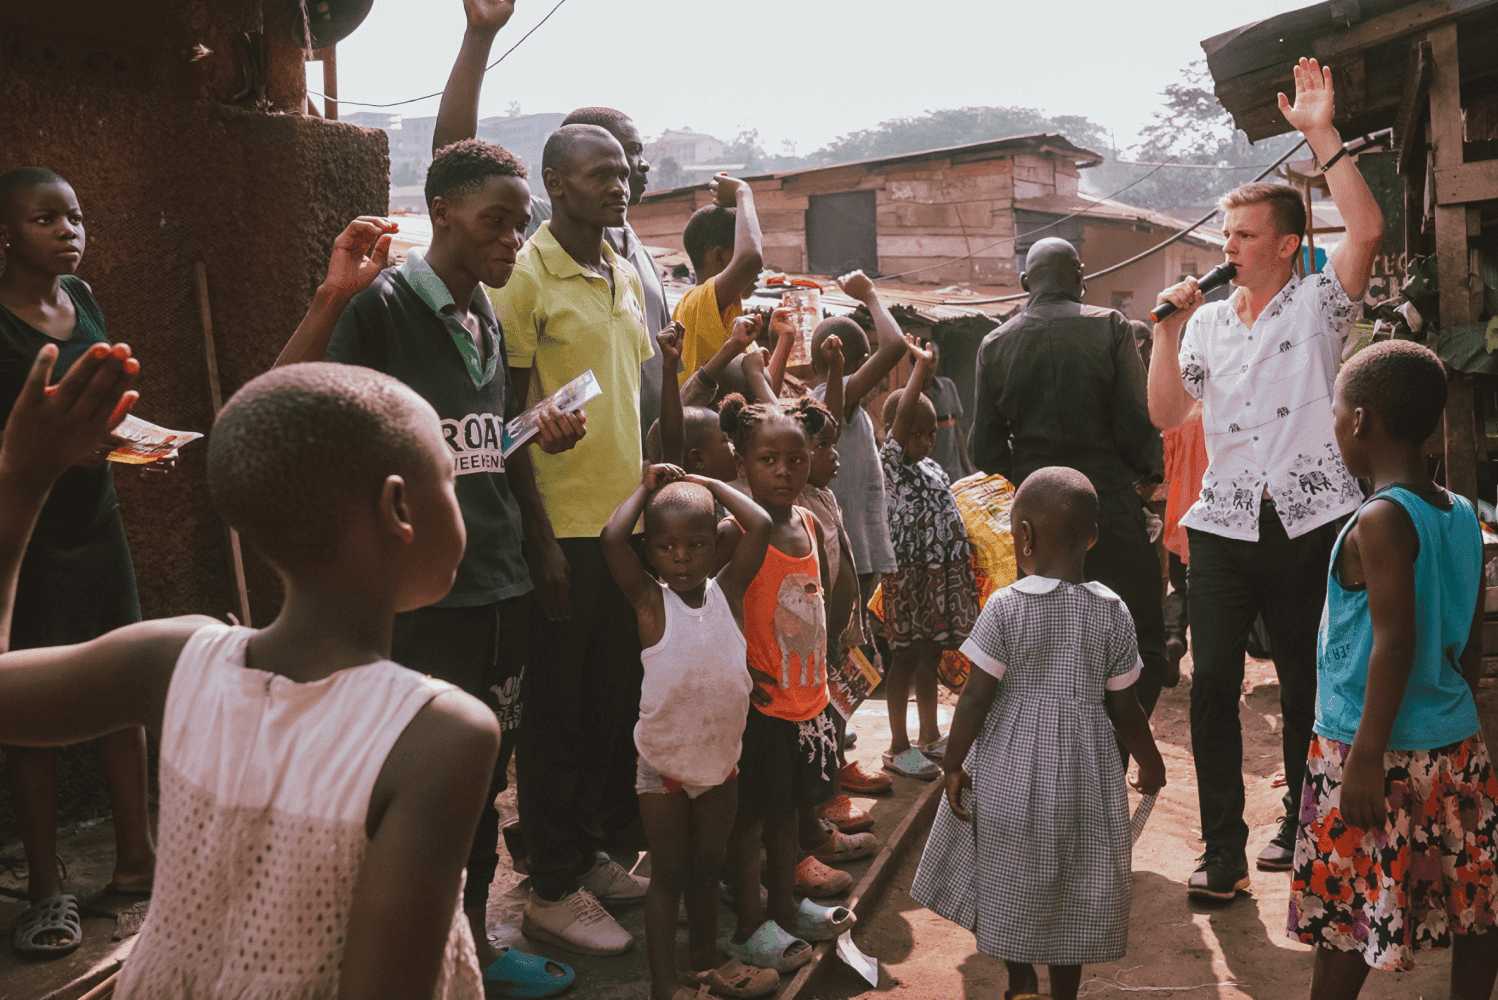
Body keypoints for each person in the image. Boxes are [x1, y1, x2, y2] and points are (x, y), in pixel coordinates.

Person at [0, 363, 504, 999]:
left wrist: (21, 477)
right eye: (451, 480)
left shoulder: (170, 660)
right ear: (397, 507)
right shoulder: (440, 735)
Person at [274, 142, 581, 990]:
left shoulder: (486, 316)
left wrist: (535, 437)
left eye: (521, 225)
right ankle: (394, 961)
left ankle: (471, 946)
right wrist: (331, 297)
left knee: (480, 785)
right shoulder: (378, 306)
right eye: (495, 221)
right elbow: (282, 402)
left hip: (497, 583)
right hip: (421, 598)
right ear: (442, 211)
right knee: (407, 787)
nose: (512, 238)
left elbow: (474, 443)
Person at [1147, 58, 1385, 897]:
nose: (1228, 248)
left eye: (1244, 236)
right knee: (1212, 682)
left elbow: (1366, 231)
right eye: (1225, 236)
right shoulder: (1207, 322)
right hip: (1223, 524)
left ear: (1285, 245)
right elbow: (1168, 413)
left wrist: (1322, 134)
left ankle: (1301, 824)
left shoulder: (1319, 305)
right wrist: (1165, 330)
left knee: (1305, 682)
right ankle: (1222, 850)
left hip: (1311, 521)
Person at [490, 123, 658, 955]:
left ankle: (588, 853)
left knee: (608, 707)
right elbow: (504, 420)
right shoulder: (527, 276)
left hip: (624, 529)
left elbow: (633, 399)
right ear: (555, 183)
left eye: (621, 173)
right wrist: (539, 537)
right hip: (563, 532)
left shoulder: (621, 269)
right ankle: (551, 884)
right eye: (598, 174)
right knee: (554, 717)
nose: (616, 186)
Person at [1287, 341, 1498, 998]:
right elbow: (1467, 646)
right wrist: (1455, 719)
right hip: (1454, 746)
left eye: (1336, 412)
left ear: (1360, 421)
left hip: (1368, 748)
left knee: (1347, 914)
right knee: (1475, 902)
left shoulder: (1378, 519)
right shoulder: (1462, 515)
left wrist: (1367, 756)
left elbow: (1394, 641)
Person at [911, 466, 1166, 1000]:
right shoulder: (1112, 611)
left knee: (1011, 873)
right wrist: (1150, 762)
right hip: (1085, 780)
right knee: (1072, 884)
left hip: (1009, 772)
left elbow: (975, 697)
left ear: (1023, 537)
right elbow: (1126, 708)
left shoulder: (1006, 606)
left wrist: (953, 763)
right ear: (1092, 537)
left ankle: (1021, 980)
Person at [0, 167, 157, 957]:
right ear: (4, 235)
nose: (69, 230)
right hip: (27, 536)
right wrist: (56, 453)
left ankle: (137, 863)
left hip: (98, 525)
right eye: (46, 218)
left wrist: (126, 441)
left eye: (76, 215)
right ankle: (44, 887)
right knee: (29, 711)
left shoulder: (82, 298)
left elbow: (99, 403)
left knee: (121, 688)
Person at [432, 0, 672, 444]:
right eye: (613, 162)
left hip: (634, 470)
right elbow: (457, 166)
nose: (632, 171)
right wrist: (480, 37)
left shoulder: (630, 257)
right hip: (562, 475)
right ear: (558, 179)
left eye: (628, 164)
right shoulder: (543, 236)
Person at [968, 237, 1167, 725]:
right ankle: (1114, 745)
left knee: (1044, 648)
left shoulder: (995, 345)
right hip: (1107, 507)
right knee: (1141, 640)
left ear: (1024, 283)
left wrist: (1028, 483)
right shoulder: (1111, 327)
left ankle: (1063, 744)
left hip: (1037, 522)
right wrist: (1145, 477)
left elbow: (985, 451)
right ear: (1080, 277)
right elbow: (1136, 423)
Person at [602, 462, 778, 1000]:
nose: (681, 557)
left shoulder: (729, 591)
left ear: (715, 545)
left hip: (721, 763)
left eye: (696, 545)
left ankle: (705, 960)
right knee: (670, 874)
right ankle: (665, 985)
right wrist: (645, 487)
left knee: (707, 868)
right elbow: (612, 539)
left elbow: (760, 524)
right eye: (666, 547)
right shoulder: (650, 602)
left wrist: (711, 485)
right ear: (650, 551)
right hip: (663, 768)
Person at [716, 395, 853, 972]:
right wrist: (739, 667)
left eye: (796, 459)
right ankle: (750, 927)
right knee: (749, 819)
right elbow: (709, 605)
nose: (783, 472)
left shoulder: (810, 522)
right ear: (741, 461)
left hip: (804, 699)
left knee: (788, 813)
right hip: (760, 703)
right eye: (768, 460)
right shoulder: (733, 532)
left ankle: (786, 907)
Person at [795, 338, 892, 808]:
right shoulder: (799, 502)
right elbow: (828, 412)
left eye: (834, 446)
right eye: (823, 448)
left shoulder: (826, 494)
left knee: (845, 693)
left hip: (844, 626)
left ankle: (836, 764)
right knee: (821, 704)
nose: (834, 456)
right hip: (819, 630)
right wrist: (835, 371)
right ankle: (824, 789)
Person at [878, 340, 980, 779]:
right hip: (909, 578)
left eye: (930, 434)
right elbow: (903, 418)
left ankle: (929, 735)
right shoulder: (891, 466)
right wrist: (919, 368)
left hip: (938, 579)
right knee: (904, 657)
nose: (923, 441)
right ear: (894, 433)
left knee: (930, 654)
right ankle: (898, 746)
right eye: (914, 433)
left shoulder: (933, 469)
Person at [808, 272, 912, 636]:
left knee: (847, 641)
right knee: (843, 639)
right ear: (861, 361)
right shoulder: (841, 394)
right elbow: (895, 345)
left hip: (853, 545)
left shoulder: (832, 403)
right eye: (870, 360)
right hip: (846, 546)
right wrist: (869, 295)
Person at [674, 175, 763, 383]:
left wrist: (784, 340)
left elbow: (762, 388)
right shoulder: (696, 301)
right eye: (742, 248)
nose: (760, 268)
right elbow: (751, 259)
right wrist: (742, 191)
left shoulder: (734, 318)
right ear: (719, 257)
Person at [918, 341, 975, 483]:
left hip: (952, 472)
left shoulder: (948, 386)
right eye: (925, 360)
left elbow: (958, 430)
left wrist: (967, 468)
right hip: (924, 475)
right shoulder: (906, 394)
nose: (929, 366)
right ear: (915, 361)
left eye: (933, 360)